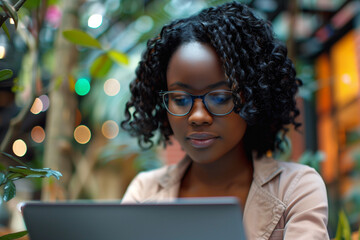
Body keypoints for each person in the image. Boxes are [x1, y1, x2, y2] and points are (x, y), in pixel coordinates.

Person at [120, 1, 329, 239]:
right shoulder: (144, 191)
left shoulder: (296, 189)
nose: (198, 117)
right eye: (180, 98)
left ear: (253, 99)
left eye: (220, 98)